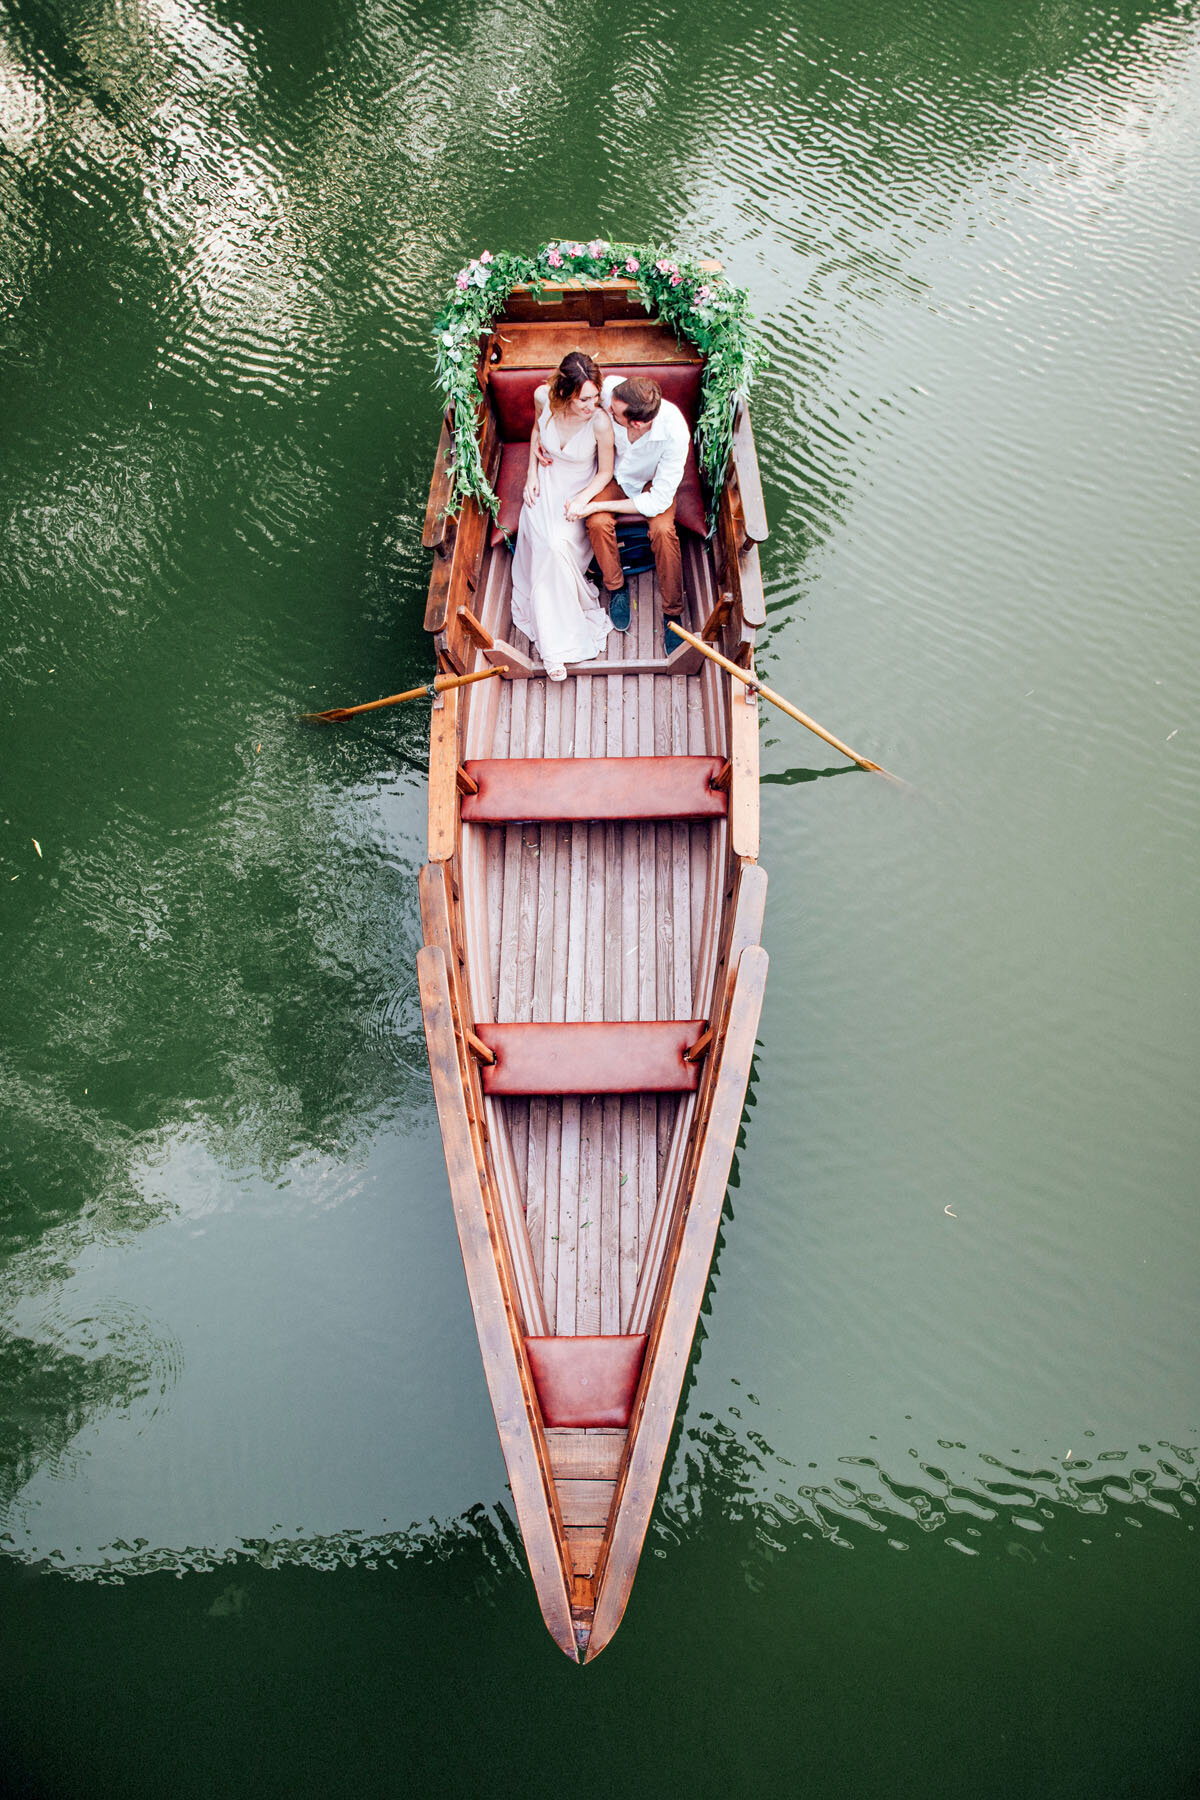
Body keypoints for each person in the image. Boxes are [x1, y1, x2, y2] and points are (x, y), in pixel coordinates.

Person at [510, 351, 615, 681]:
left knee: (557, 546)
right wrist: (530, 475)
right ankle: (554, 644)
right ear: (566, 394)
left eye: (595, 397)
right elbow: (536, 432)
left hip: (577, 490)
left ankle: (555, 647)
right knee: (546, 546)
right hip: (546, 484)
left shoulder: (599, 421)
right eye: (584, 399)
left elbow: (606, 472)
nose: (591, 405)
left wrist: (582, 500)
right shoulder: (543, 397)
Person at [572, 375, 690, 634]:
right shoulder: (614, 389)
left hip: (653, 484)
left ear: (636, 423)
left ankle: (673, 614)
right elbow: (578, 383)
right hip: (614, 475)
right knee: (597, 522)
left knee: (663, 532)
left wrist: (593, 505)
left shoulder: (675, 433)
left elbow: (658, 500)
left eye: (613, 412)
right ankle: (616, 587)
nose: (607, 409)